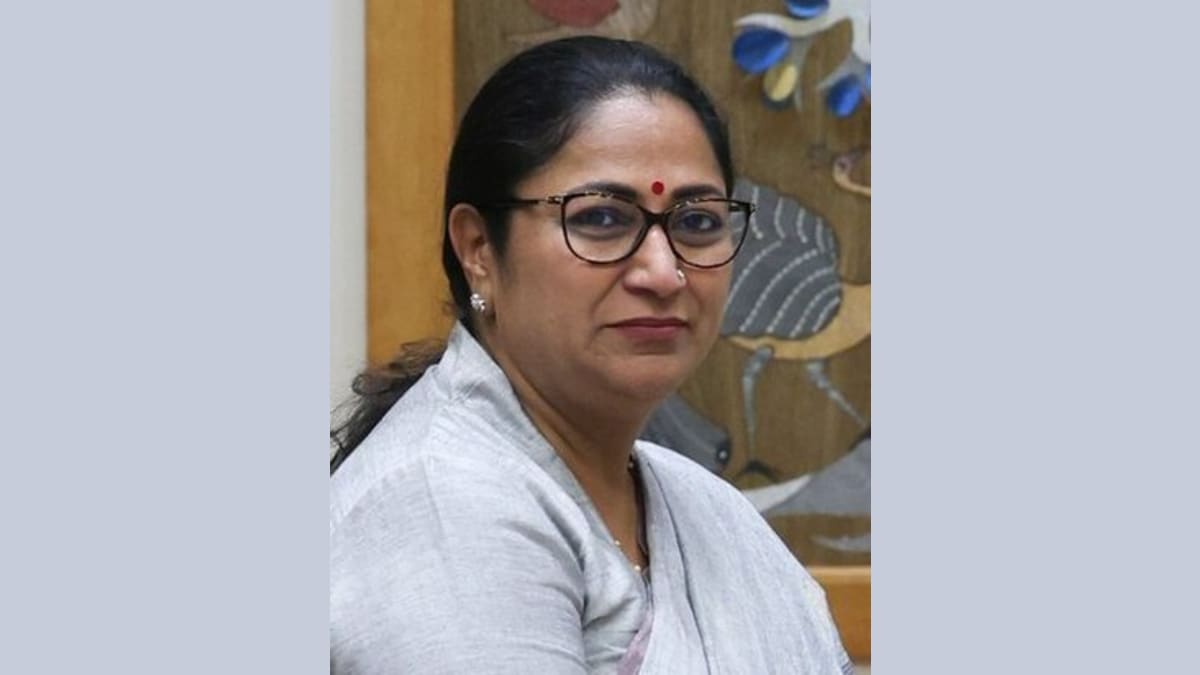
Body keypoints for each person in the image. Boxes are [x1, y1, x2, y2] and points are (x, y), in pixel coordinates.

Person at [330, 36, 856, 674]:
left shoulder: (710, 511)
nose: (663, 272)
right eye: (602, 219)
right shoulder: (443, 502)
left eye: (697, 222)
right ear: (478, 249)